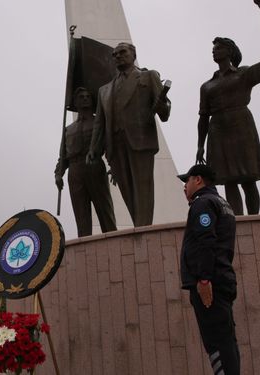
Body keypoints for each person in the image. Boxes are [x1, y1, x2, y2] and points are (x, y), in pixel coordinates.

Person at [195, 15, 260, 216]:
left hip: (241, 125)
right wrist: (200, 145)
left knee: (248, 178)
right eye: (213, 48)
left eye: (219, 47)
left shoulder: (243, 74)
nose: (214, 50)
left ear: (229, 51)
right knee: (229, 180)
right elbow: (203, 117)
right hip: (218, 130)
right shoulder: (207, 86)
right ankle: (237, 220)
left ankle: (254, 219)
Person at [87, 42, 171, 227]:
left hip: (139, 140)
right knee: (127, 192)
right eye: (114, 54)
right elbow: (100, 123)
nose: (117, 56)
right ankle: (139, 226)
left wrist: (162, 106)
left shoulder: (148, 77)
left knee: (142, 189)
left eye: (122, 52)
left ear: (133, 55)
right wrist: (94, 149)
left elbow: (164, 113)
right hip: (115, 146)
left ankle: (143, 229)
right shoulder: (104, 90)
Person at [178, 164, 239, 375]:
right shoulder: (223, 203)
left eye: (186, 181)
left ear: (198, 180)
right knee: (227, 343)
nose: (184, 187)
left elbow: (206, 241)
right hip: (223, 280)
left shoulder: (203, 203)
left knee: (217, 346)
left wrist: (204, 280)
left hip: (211, 284)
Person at [55, 87, 117, 236]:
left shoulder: (99, 122)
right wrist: (59, 174)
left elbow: (110, 146)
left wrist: (114, 166)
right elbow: (63, 156)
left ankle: (113, 241)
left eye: (87, 96)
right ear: (75, 103)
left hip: (95, 167)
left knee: (105, 211)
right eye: (80, 97)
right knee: (81, 217)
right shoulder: (68, 129)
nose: (84, 98)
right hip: (75, 172)